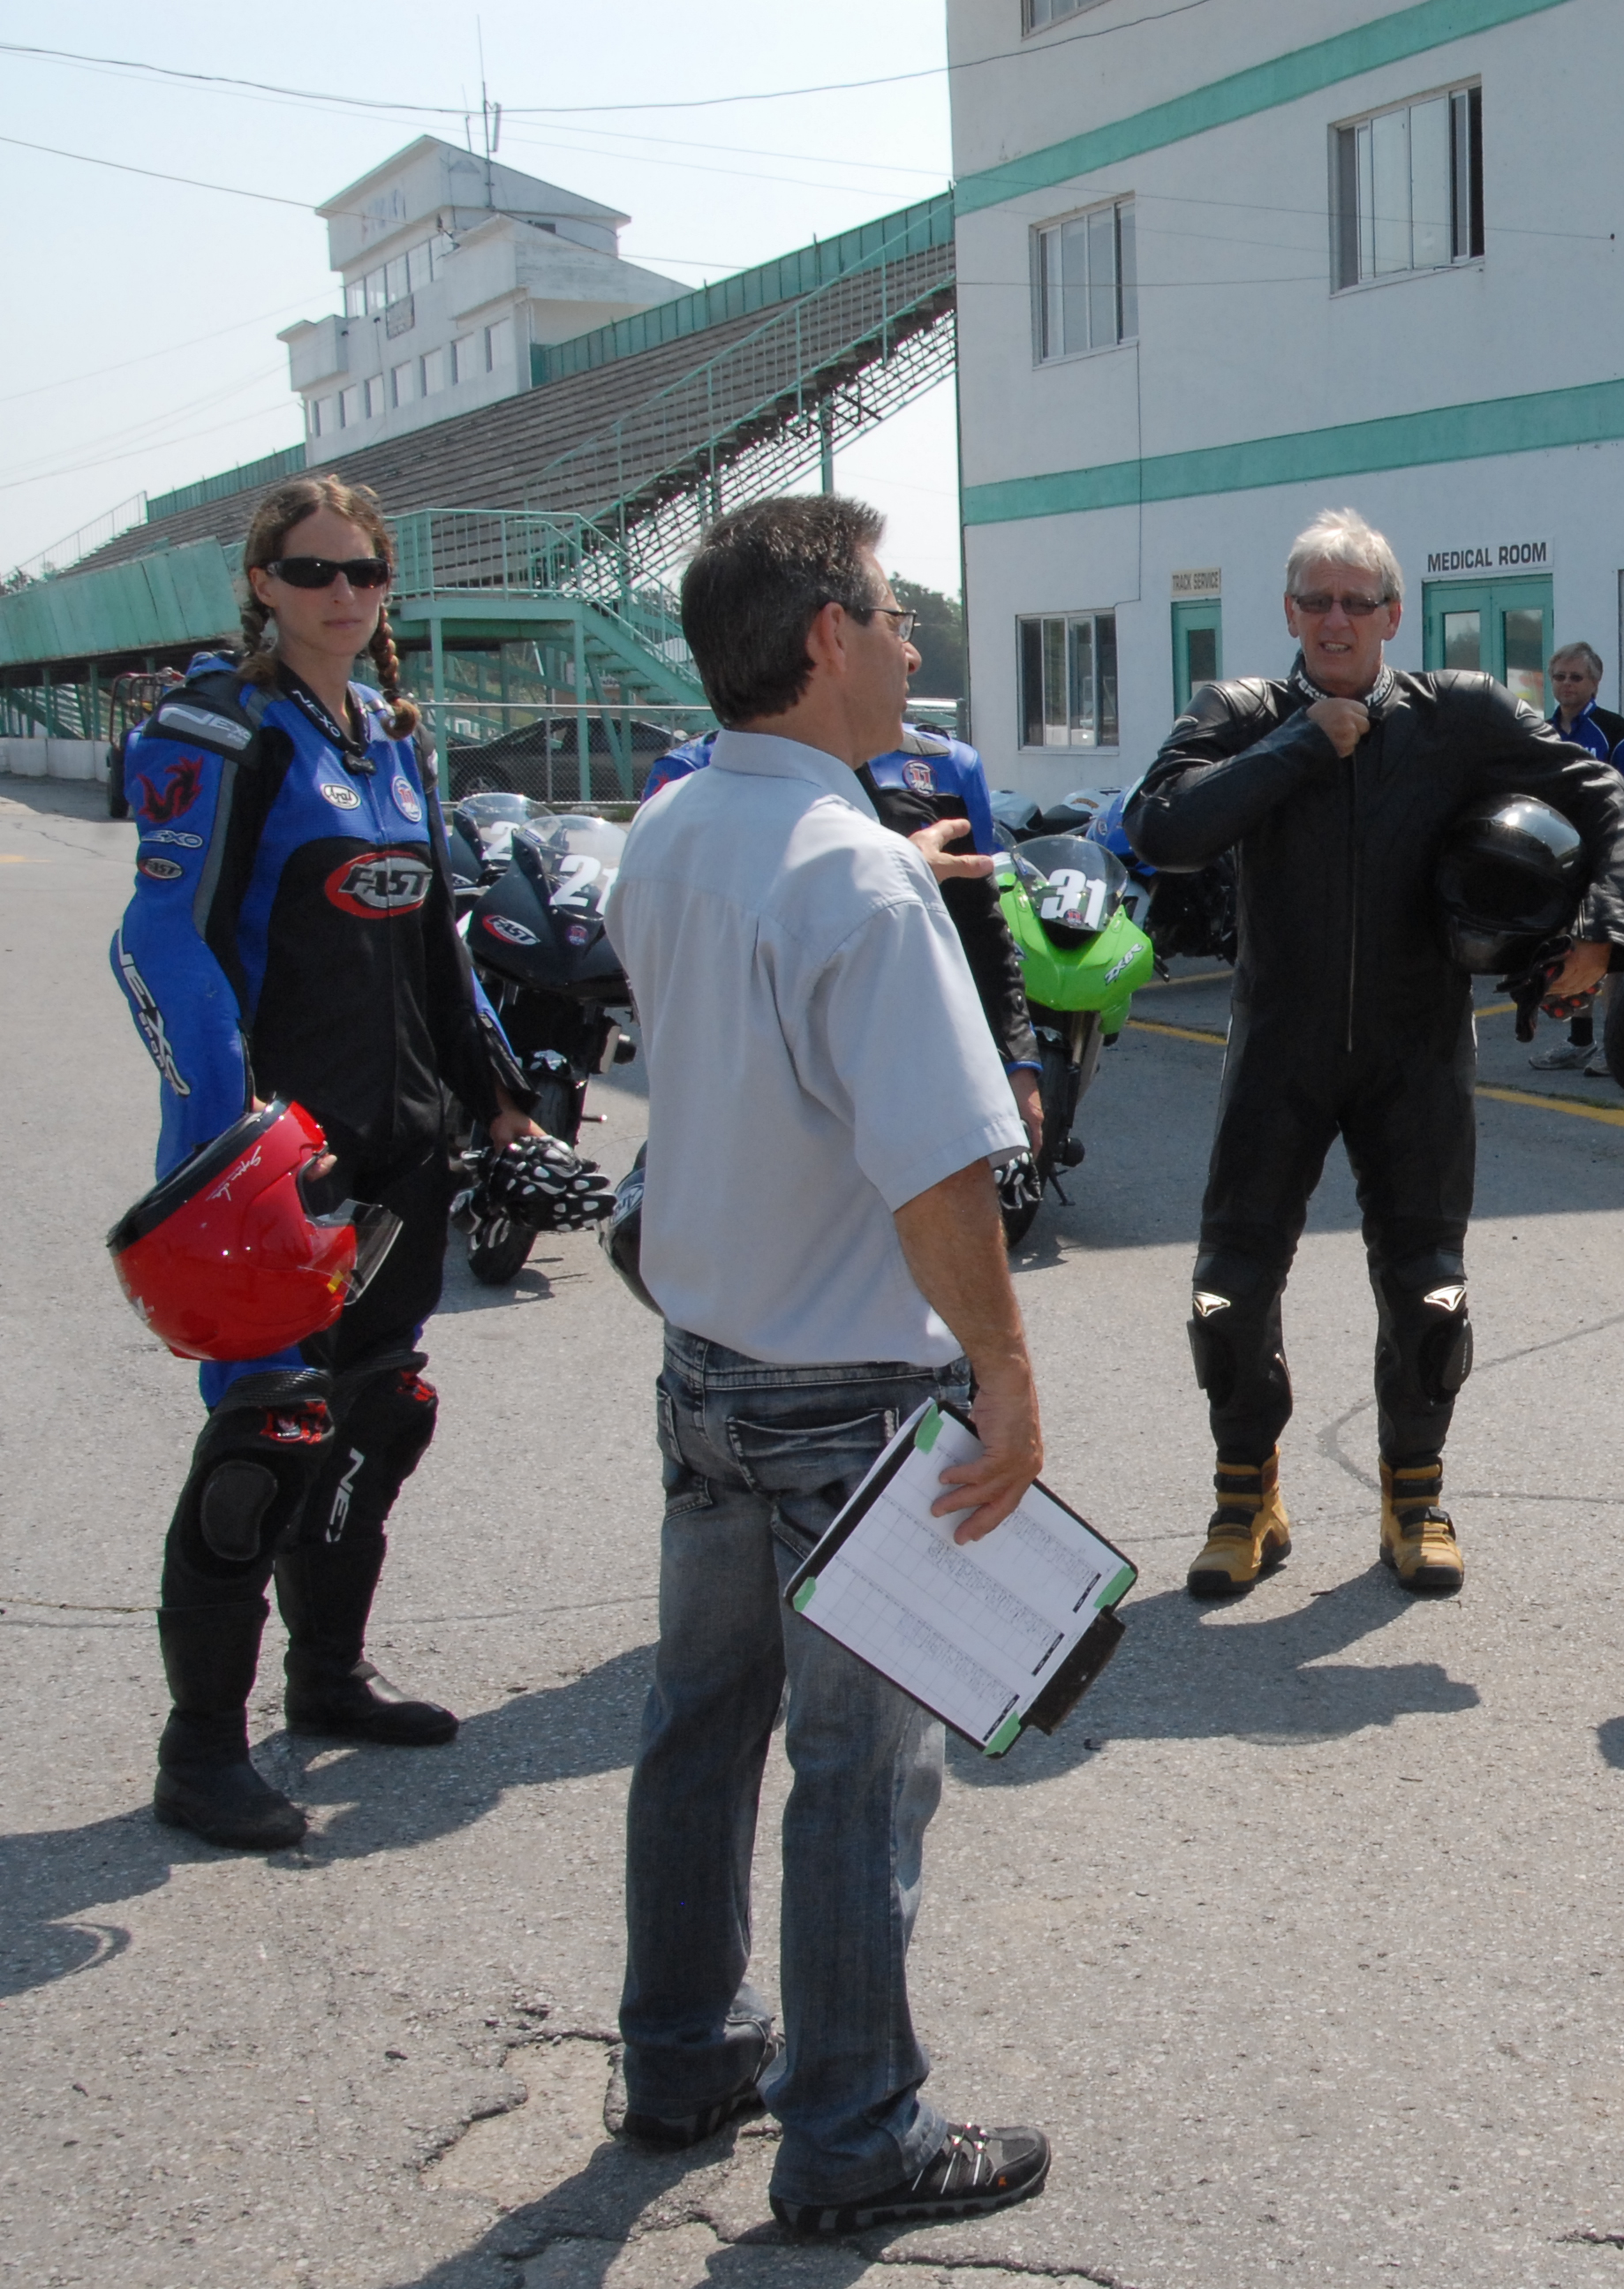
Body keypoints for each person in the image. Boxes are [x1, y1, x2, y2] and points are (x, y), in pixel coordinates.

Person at [605, 496, 1053, 2236]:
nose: (911, 642)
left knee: (697, 1725)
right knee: (861, 1774)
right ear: (822, 638)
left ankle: (678, 2053)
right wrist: (1006, 1378)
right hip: (850, 1390)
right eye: (888, 612)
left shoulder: (670, 827)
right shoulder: (854, 870)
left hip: (708, 1365)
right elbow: (940, 1173)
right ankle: (856, 2131)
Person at [110, 475, 549, 1851]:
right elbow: (159, 943)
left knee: (377, 1415)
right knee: (265, 1442)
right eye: (311, 571)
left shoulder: (394, 737)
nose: (342, 594)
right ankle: (200, 1752)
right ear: (262, 583)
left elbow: (435, 947)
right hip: (277, 1167)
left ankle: (329, 1674)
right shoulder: (219, 733)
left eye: (363, 570)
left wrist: (499, 1100)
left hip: (404, 1147)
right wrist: (223, 1140)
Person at [1132, 509, 1624, 1598]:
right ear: (1289, 613)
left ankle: (1414, 1500)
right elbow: (1164, 828)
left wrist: (1603, 929)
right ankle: (1244, 1498)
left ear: (1391, 614)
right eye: (1316, 601)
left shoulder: (1455, 713)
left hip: (1415, 1048)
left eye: (1356, 602)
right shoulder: (1239, 712)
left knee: (1428, 1293)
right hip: (1278, 1046)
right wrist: (1299, 742)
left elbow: (1604, 795)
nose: (1336, 620)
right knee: (1228, 1291)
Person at [646, 684, 1046, 1158]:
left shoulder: (949, 764)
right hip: (746, 1088)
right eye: (894, 637)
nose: (911, 657)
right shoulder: (688, 772)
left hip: (915, 1058)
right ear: (830, 647)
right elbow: (670, 944)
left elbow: (982, 926)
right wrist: (893, 875)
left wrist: (1017, 1060)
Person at [1531, 638, 1624, 1072]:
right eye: (1559, 677)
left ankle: (1616, 1046)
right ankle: (1580, 1041)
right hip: (1558, 855)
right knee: (1569, 946)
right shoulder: (1540, 731)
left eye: (1576, 677)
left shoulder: (1613, 729)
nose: (1567, 685)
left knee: (1608, 949)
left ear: (1595, 683)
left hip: (1607, 853)